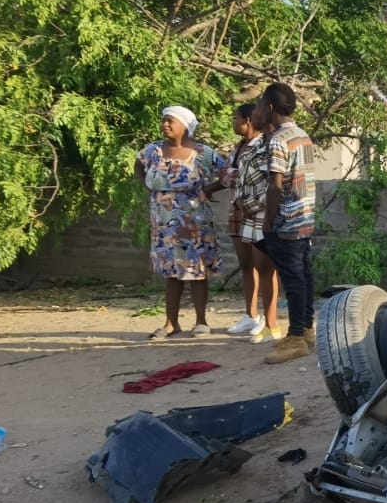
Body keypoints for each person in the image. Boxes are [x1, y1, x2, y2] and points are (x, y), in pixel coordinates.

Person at [134, 105, 229, 339]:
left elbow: (229, 173)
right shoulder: (153, 151)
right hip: (164, 223)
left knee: (197, 270)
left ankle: (201, 322)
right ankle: (170, 323)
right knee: (171, 272)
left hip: (194, 221)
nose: (165, 124)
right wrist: (147, 184)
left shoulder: (202, 152)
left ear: (185, 126)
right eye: (164, 121)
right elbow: (138, 166)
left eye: (170, 121)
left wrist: (209, 189)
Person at [251, 82, 317, 364]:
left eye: (259, 105)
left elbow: (276, 185)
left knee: (292, 279)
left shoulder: (278, 139)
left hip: (286, 218)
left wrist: (268, 220)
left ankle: (295, 338)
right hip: (304, 215)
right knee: (303, 275)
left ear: (270, 108)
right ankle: (306, 329)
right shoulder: (302, 135)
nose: (257, 110)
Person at [225, 104, 283, 342]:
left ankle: (271, 322)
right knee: (247, 263)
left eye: (235, 118)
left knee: (266, 267)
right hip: (241, 209)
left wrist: (250, 203)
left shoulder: (264, 145)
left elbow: (272, 183)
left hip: (258, 211)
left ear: (248, 120)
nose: (233, 122)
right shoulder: (240, 148)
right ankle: (251, 315)